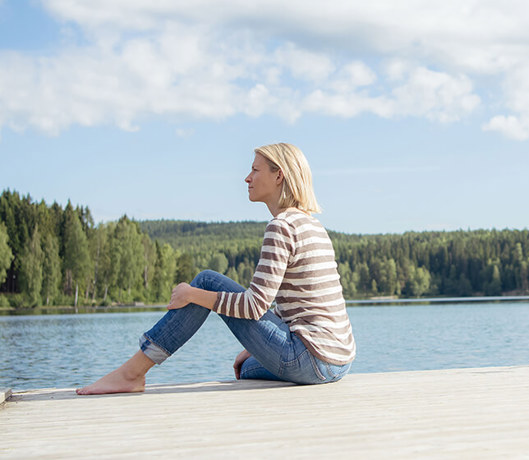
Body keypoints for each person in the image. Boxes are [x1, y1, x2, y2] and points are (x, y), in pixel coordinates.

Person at [77, 143, 356, 395]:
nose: (247, 178)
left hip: (310, 359)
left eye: (255, 170)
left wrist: (192, 295)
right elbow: (298, 303)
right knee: (246, 369)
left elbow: (254, 306)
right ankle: (134, 372)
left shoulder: (281, 226)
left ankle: (132, 373)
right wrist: (252, 347)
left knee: (206, 281)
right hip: (338, 362)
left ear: (278, 175)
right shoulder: (312, 225)